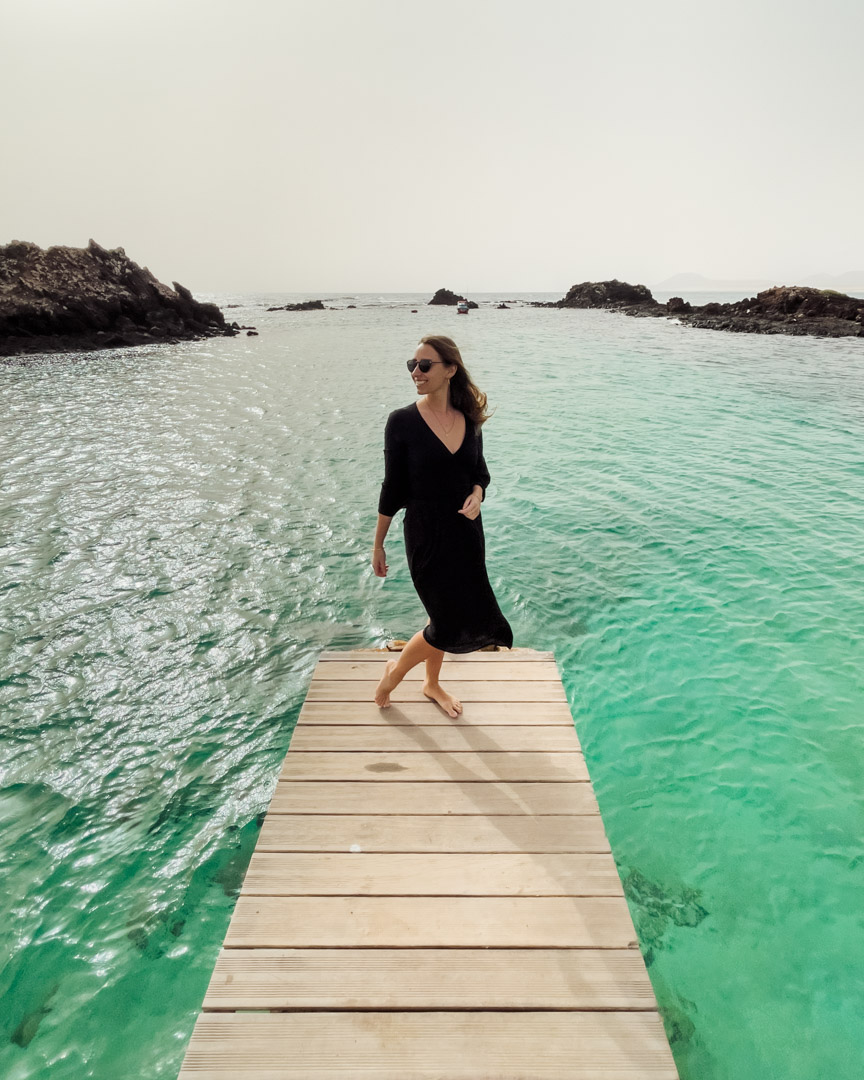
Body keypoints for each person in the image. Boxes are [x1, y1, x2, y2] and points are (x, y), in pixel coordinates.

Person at [372, 334, 513, 718]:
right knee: (447, 620)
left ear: (450, 370)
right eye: (412, 365)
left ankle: (431, 683)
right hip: (426, 535)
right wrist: (378, 544)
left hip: (466, 534)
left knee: (444, 617)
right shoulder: (401, 422)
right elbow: (393, 487)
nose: (416, 372)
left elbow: (479, 473)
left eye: (425, 365)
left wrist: (478, 495)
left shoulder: (469, 420)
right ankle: (395, 672)